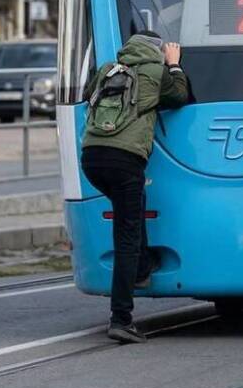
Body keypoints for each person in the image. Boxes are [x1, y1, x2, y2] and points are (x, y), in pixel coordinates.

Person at [81, 31, 189, 344]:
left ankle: (142, 268)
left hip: (92, 158)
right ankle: (121, 318)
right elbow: (179, 96)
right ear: (157, 50)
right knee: (126, 237)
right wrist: (175, 65)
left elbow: (90, 95)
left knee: (131, 212)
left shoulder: (108, 69)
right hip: (125, 161)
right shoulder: (156, 72)